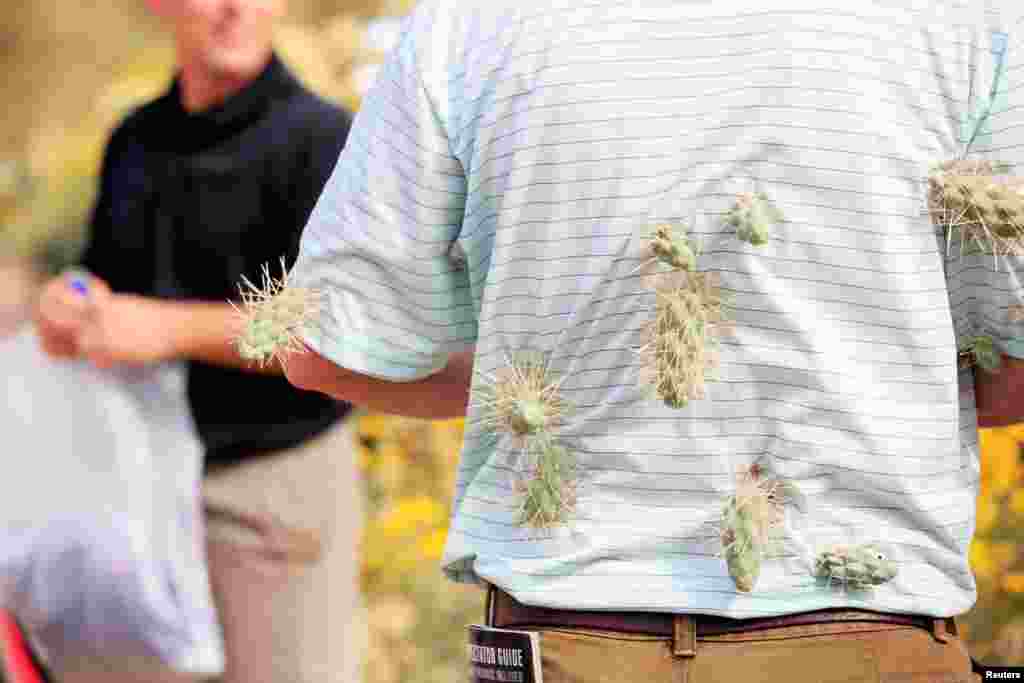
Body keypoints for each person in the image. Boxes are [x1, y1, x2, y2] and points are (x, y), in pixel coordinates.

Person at [279, 0, 1024, 681]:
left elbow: (320, 343)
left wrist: (543, 393)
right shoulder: (971, 16)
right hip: (870, 640)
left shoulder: (470, 20)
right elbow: (1016, 363)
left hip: (573, 638)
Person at [33, 1, 362, 682]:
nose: (235, 7)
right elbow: (107, 289)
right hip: (142, 486)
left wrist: (164, 326)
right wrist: (71, 306)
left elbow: (340, 328)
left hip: (274, 492)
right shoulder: (133, 142)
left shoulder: (325, 140)